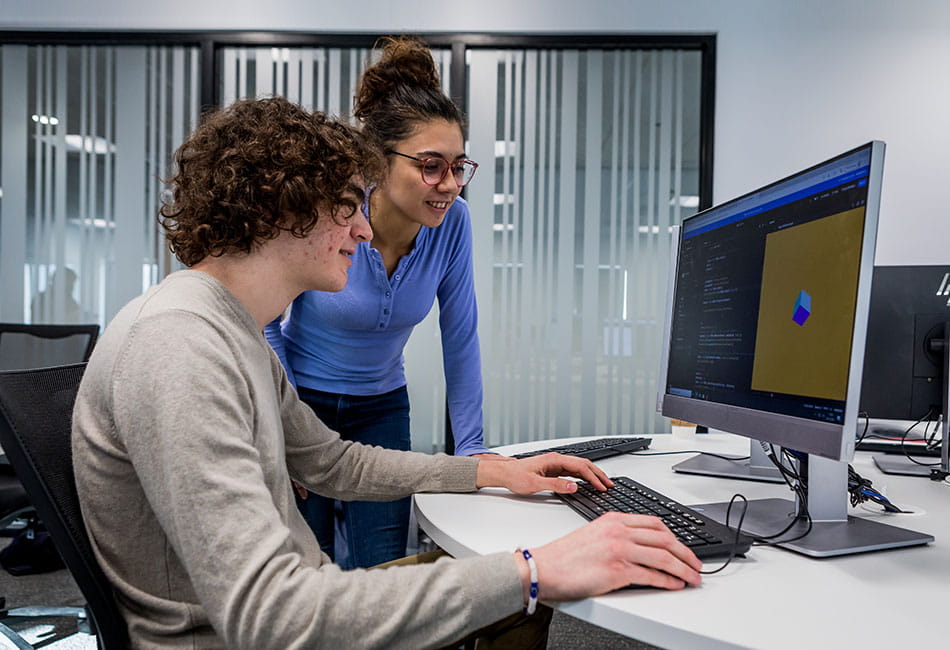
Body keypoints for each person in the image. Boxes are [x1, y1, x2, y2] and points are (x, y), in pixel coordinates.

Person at [71, 96, 703, 649]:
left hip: (291, 607)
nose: (366, 229)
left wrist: (491, 470)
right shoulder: (181, 347)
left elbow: (336, 462)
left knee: (516, 599)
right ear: (279, 211)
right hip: (241, 638)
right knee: (523, 588)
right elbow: (273, 619)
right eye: (347, 208)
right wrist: (533, 569)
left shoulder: (230, 329)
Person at [265, 36, 499, 569]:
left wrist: (474, 456)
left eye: (459, 167)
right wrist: (290, 423)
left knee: (383, 565)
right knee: (309, 562)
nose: (449, 185)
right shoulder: (334, 212)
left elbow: (460, 336)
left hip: (383, 406)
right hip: (306, 401)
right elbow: (269, 322)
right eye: (432, 166)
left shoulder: (453, 223)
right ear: (380, 160)